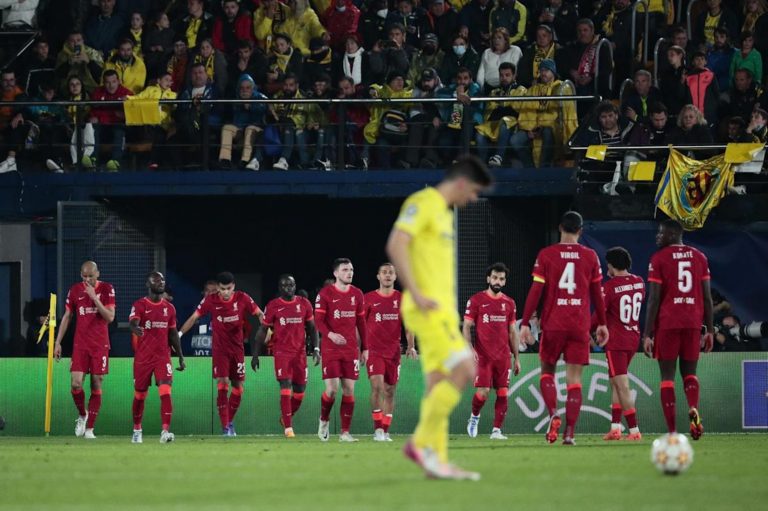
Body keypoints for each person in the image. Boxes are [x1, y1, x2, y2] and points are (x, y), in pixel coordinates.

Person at [387, 155, 493, 480]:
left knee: (436, 385)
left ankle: (437, 461)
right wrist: (416, 293)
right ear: (461, 183)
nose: (473, 199)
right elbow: (396, 243)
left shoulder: (445, 216)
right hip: (427, 308)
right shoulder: (424, 202)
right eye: (474, 191)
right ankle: (420, 444)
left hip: (443, 311)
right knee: (465, 369)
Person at [519, 211, 609, 445]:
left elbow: (535, 291)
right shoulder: (590, 256)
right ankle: (569, 434)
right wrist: (602, 324)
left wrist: (526, 321)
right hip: (578, 325)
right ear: (581, 231)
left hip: (553, 324)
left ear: (560, 227)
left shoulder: (547, 255)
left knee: (547, 372)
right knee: (575, 381)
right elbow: (597, 295)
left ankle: (553, 415)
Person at [643, 219, 714, 440]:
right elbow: (707, 298)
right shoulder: (700, 257)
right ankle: (693, 407)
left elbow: (654, 299)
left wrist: (647, 333)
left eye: (661, 233)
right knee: (690, 374)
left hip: (668, 323)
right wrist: (710, 330)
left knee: (667, 377)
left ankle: (673, 430)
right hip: (693, 323)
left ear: (673, 234)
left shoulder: (659, 259)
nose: (658, 236)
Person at [179, 271, 263, 436]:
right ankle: (226, 427)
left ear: (234, 287)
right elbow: (194, 317)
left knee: (238, 388)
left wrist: (266, 326)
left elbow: (259, 313)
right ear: (218, 288)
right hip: (220, 351)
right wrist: (180, 334)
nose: (225, 292)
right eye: (223, 289)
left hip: (237, 350)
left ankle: (229, 422)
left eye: (229, 288)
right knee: (223, 384)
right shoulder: (211, 300)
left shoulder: (243, 298)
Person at [53, 261, 116, 440]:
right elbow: (67, 316)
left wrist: (94, 297)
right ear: (81, 275)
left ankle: (90, 429)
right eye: (84, 276)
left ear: (98, 274)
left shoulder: (107, 289)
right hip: (80, 344)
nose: (87, 280)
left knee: (96, 383)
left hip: (100, 345)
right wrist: (58, 342)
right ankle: (82, 415)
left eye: (91, 276)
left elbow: (110, 317)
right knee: (76, 384)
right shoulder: (74, 290)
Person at [251, 275, 319, 438]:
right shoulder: (273, 306)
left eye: (291, 285)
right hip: (281, 352)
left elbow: (312, 328)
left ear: (295, 286)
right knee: (285, 385)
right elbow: (262, 331)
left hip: (300, 353)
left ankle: (285, 417)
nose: (287, 288)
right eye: (284, 286)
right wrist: (255, 354)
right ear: (279, 288)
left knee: (300, 392)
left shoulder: (304, 304)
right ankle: (288, 428)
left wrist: (316, 348)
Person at [463, 262, 520, 441]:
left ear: (504, 282)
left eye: (501, 279)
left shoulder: (509, 303)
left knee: (503, 392)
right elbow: (466, 327)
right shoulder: (476, 300)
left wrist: (516, 357)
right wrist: (469, 348)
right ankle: (474, 417)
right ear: (488, 279)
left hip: (503, 356)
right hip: (483, 356)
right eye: (494, 277)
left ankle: (496, 431)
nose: (497, 281)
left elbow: (512, 332)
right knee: (483, 392)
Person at [314, 258, 368, 442]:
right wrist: (330, 335)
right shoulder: (325, 294)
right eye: (345, 270)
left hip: (350, 349)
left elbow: (361, 322)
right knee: (332, 390)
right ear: (336, 273)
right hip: (330, 349)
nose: (349, 273)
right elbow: (318, 321)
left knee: (349, 390)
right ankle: (324, 419)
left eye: (351, 269)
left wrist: (365, 348)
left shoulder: (357, 294)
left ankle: (345, 433)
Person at [128, 272, 185, 444]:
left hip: (163, 357)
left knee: (165, 390)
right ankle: (137, 430)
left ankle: (165, 432)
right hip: (143, 358)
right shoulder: (140, 304)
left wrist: (181, 356)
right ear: (148, 283)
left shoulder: (169, 308)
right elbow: (133, 321)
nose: (160, 282)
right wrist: (135, 328)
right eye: (156, 280)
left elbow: (173, 334)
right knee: (140, 395)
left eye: (162, 280)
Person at [364, 263, 416, 442]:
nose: (387, 275)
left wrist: (411, 346)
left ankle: (385, 431)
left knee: (390, 390)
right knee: (377, 386)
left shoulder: (402, 299)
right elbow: (360, 326)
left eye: (391, 273)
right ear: (378, 276)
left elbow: (409, 326)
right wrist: (360, 348)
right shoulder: (368, 298)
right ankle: (377, 430)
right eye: (384, 272)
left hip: (393, 352)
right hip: (374, 351)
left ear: (395, 277)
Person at [598, 247, 644, 442]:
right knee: (616, 383)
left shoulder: (609, 287)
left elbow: (599, 314)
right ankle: (615, 428)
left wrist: (584, 329)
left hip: (616, 340)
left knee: (622, 385)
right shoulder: (639, 282)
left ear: (611, 265)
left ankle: (634, 431)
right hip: (633, 338)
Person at [475, 61, 526, 166]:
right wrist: (505, 107)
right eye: (501, 75)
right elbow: (490, 111)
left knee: (505, 121)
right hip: (495, 123)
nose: (504, 78)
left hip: (514, 124)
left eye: (507, 75)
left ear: (514, 75)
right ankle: (482, 164)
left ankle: (499, 156)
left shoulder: (521, 90)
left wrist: (502, 108)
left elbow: (517, 109)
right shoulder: (494, 92)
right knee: (479, 133)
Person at [89, 69, 134, 171]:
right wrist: (115, 115)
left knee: (119, 129)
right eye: (108, 82)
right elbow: (93, 113)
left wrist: (120, 116)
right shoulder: (97, 93)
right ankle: (93, 161)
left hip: (120, 129)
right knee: (93, 127)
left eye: (113, 82)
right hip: (103, 128)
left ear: (118, 81)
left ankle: (115, 163)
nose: (111, 85)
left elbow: (131, 115)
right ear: (104, 83)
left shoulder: (127, 94)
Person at [476, 27, 522, 94]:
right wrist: (480, 90)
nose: (496, 40)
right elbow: (481, 73)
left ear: (506, 40)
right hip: (489, 88)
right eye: (494, 38)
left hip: (509, 88)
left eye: (499, 38)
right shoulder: (487, 52)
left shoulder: (515, 50)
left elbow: (516, 70)